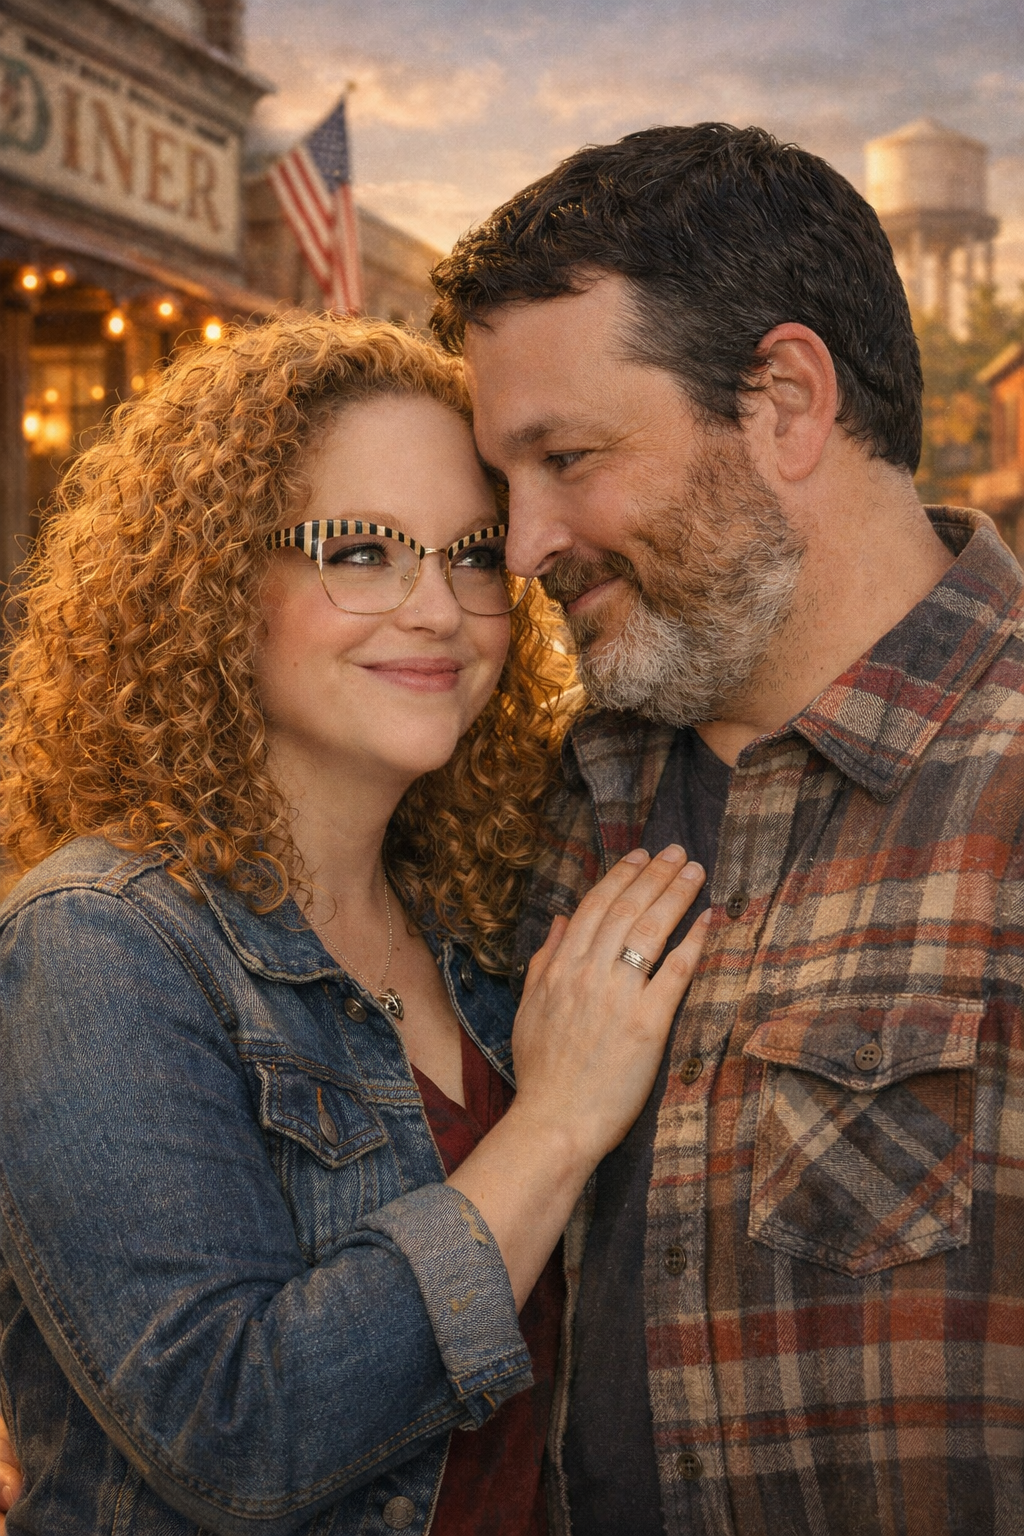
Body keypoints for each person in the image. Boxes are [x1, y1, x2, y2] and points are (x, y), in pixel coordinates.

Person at [0, 314, 711, 1536]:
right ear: (218, 583)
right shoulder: (97, 945)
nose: (437, 609)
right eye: (362, 551)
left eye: (473, 555)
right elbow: (236, 1434)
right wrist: (554, 1125)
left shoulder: (482, 921)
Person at [429, 123, 1024, 1536]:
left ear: (784, 400)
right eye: (503, 485)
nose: (521, 551)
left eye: (568, 457)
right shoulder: (543, 802)